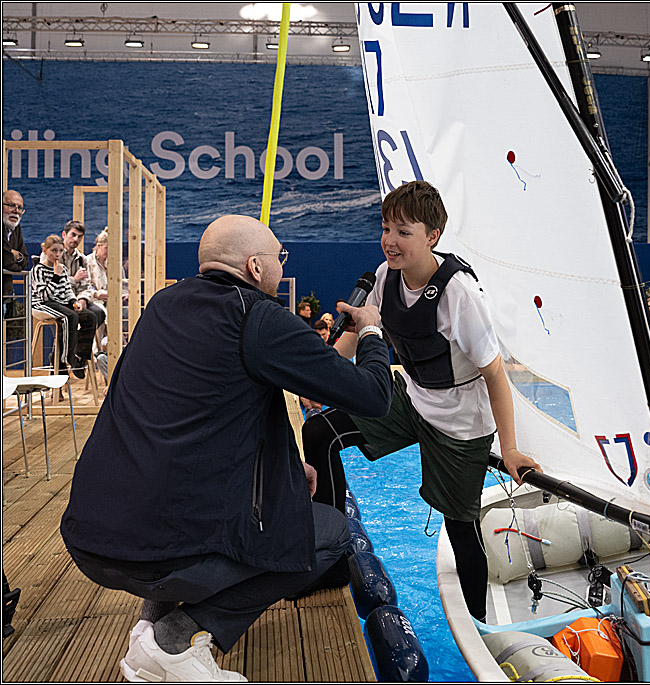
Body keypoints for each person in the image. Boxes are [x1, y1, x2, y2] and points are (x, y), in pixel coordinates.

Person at [60, 215, 393, 682]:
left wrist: (285, 470)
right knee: (332, 533)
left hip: (89, 539)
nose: (281, 266)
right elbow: (374, 396)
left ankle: (147, 628)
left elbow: (197, 417)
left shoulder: (162, 306)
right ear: (256, 267)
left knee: (170, 499)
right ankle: (177, 638)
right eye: (280, 258)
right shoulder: (258, 317)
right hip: (162, 555)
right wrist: (371, 331)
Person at [302, 181, 540, 624]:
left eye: (403, 231)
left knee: (460, 527)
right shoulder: (383, 275)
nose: (390, 240)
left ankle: (480, 629)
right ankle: (331, 559)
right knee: (319, 432)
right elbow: (357, 331)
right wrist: (321, 379)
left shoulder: (460, 295)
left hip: (460, 421)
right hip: (410, 396)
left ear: (432, 236)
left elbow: (494, 373)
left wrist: (508, 448)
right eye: (386, 228)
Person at [30, 235, 98, 378]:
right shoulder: (38, 270)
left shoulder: (63, 269)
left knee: (90, 316)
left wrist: (74, 301)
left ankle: (81, 356)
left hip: (60, 302)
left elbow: (67, 290)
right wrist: (55, 276)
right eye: (54, 250)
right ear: (45, 250)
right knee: (70, 317)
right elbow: (45, 296)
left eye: (60, 251)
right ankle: (68, 357)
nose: (57, 254)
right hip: (42, 304)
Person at [58, 220, 107, 330]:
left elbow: (86, 285)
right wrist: (74, 279)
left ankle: (80, 343)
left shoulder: (82, 259)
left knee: (98, 313)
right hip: (60, 300)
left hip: (77, 300)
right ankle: (72, 343)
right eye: (73, 235)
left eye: (79, 236)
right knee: (70, 318)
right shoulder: (56, 254)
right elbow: (54, 282)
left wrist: (83, 299)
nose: (76, 239)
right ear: (64, 235)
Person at [3, 190, 31, 318]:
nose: (16, 211)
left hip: (5, 294)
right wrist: (10, 259)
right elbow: (5, 260)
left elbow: (25, 260)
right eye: (11, 205)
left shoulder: (15, 227)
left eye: (20, 208)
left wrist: (16, 256)